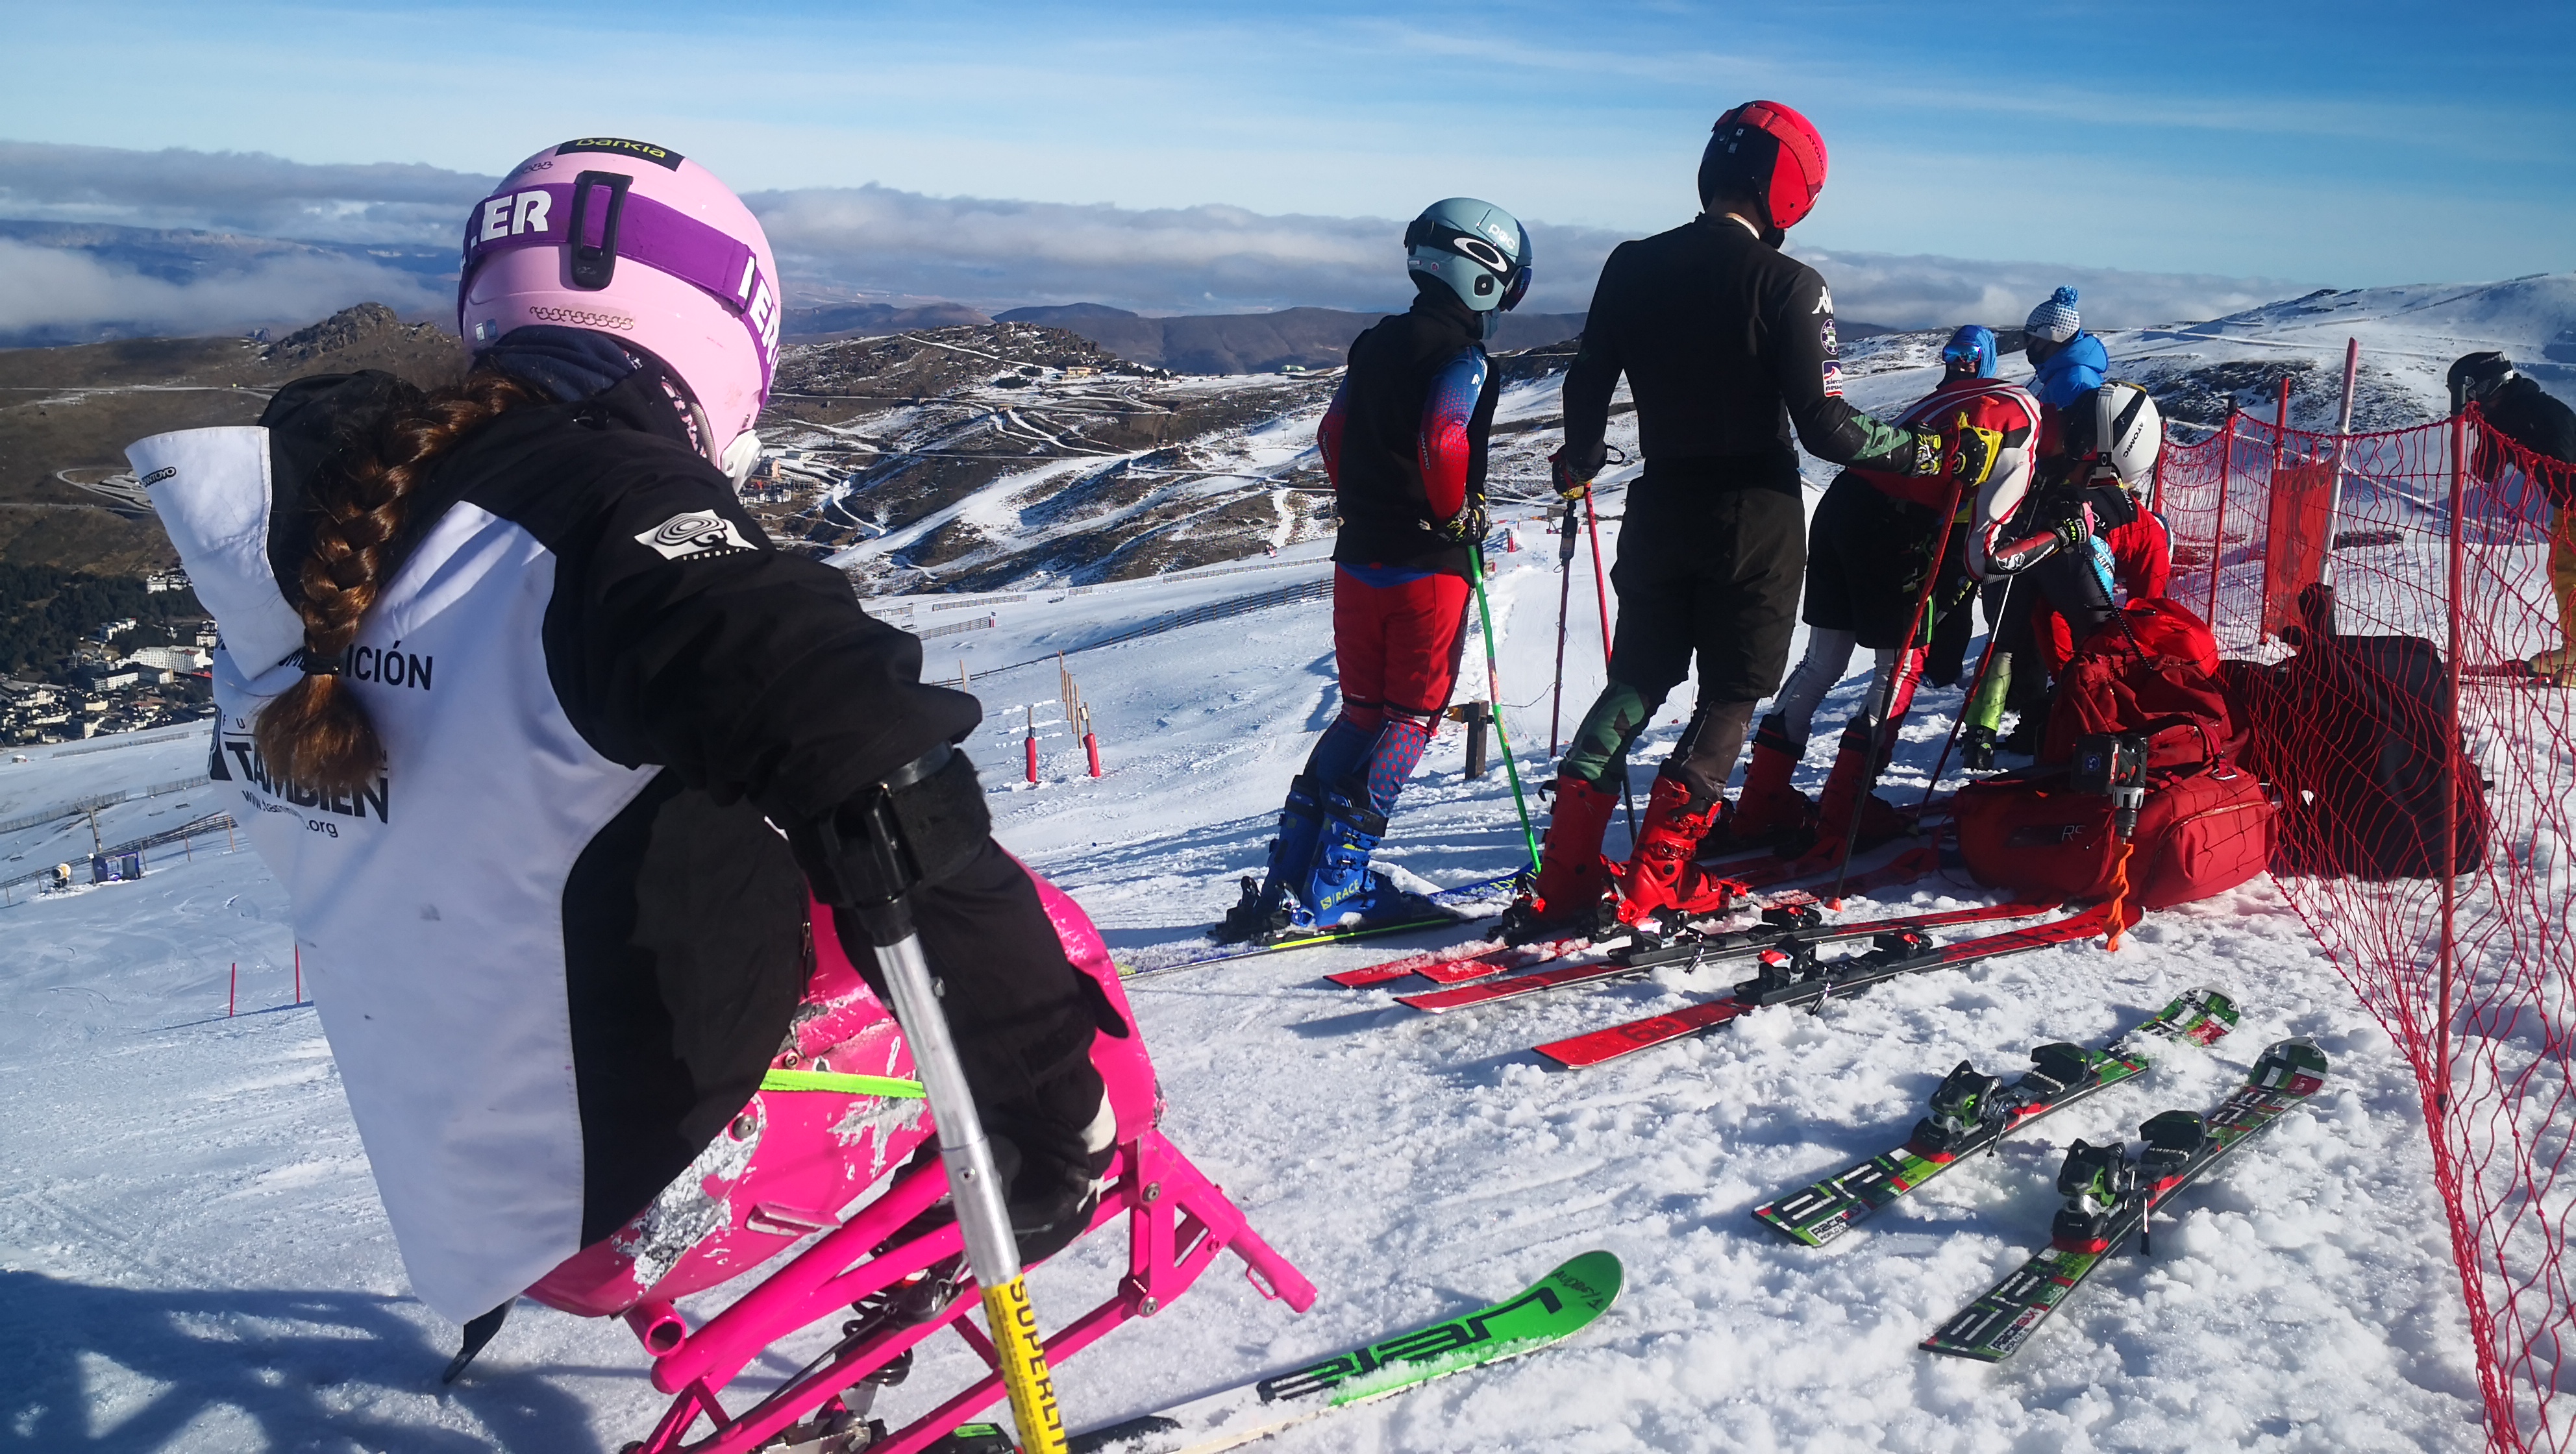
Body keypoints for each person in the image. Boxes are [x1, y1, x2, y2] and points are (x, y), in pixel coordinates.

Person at [129, 139, 1123, 1337]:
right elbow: (878, 774)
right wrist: (1047, 1121)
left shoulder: (341, 518)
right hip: (639, 1189)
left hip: (462, 1183)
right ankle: (958, 1260)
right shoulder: (616, 521)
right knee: (1045, 943)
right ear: (726, 337)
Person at [1505, 101, 1998, 935]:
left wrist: (1579, 457)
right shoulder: (1789, 284)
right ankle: (1659, 876)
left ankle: (1565, 877)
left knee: (1635, 681)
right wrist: (1933, 459)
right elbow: (1829, 429)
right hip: (1754, 518)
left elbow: (1585, 378)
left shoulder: (1629, 264)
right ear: (1789, 192)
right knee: (1731, 697)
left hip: (1657, 504)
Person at [1217, 198, 1530, 943]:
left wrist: (1364, 499)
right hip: (1429, 564)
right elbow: (1444, 436)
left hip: (1358, 557)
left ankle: (1291, 868)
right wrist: (1455, 514)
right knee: (1412, 717)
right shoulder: (1463, 357)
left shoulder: (1374, 342)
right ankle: (1338, 881)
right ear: (1481, 276)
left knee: (1360, 709)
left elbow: (1333, 432)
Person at [1734, 325, 2038, 854]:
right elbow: (1982, 556)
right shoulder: (2026, 422)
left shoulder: (1957, 396)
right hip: (1895, 526)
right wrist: (2048, 541)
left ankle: (1761, 801)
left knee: (1821, 663)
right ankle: (1846, 810)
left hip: (1840, 505)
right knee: (1897, 667)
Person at [2453, 352, 2576, 685]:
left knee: (2571, 576)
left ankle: (2574, 657)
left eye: (2471, 394)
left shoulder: (2544, 412)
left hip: (2571, 502)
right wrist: (2487, 432)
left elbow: (2564, 470)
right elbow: (2486, 471)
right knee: (2565, 576)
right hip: (2566, 509)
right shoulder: (2506, 417)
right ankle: (2573, 649)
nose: (2469, 402)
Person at [2022, 286, 2108, 410]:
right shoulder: (2065, 376)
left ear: (2051, 340)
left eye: (2029, 338)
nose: (2027, 344)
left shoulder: (2074, 384)